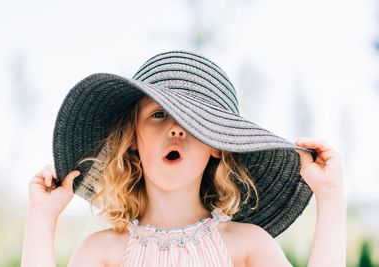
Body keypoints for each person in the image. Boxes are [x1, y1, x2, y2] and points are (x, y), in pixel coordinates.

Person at [21, 51, 346, 267]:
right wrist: (40, 218)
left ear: (218, 145)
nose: (176, 129)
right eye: (159, 114)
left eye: (195, 121)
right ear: (133, 138)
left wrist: (330, 198)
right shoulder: (103, 251)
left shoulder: (246, 245)